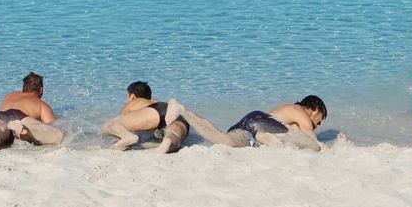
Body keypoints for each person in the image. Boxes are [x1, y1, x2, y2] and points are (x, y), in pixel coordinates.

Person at [165, 96, 334, 150]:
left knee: (224, 141)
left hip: (251, 123)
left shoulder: (286, 109)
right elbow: (313, 140)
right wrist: (331, 146)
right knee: (312, 146)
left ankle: (183, 111)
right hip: (264, 125)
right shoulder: (300, 111)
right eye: (320, 119)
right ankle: (262, 137)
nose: (318, 124)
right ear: (315, 109)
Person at [100, 81, 189, 153]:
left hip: (153, 113)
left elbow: (120, 124)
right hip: (174, 113)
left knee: (110, 124)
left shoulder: (134, 103)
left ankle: (128, 136)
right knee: (174, 135)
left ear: (132, 96)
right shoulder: (155, 101)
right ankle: (168, 142)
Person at [0, 71, 64, 150]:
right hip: (20, 115)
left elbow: (7, 113)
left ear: (23, 87)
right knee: (57, 136)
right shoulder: (42, 104)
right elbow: (53, 124)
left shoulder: (10, 95)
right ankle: (24, 129)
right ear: (41, 90)